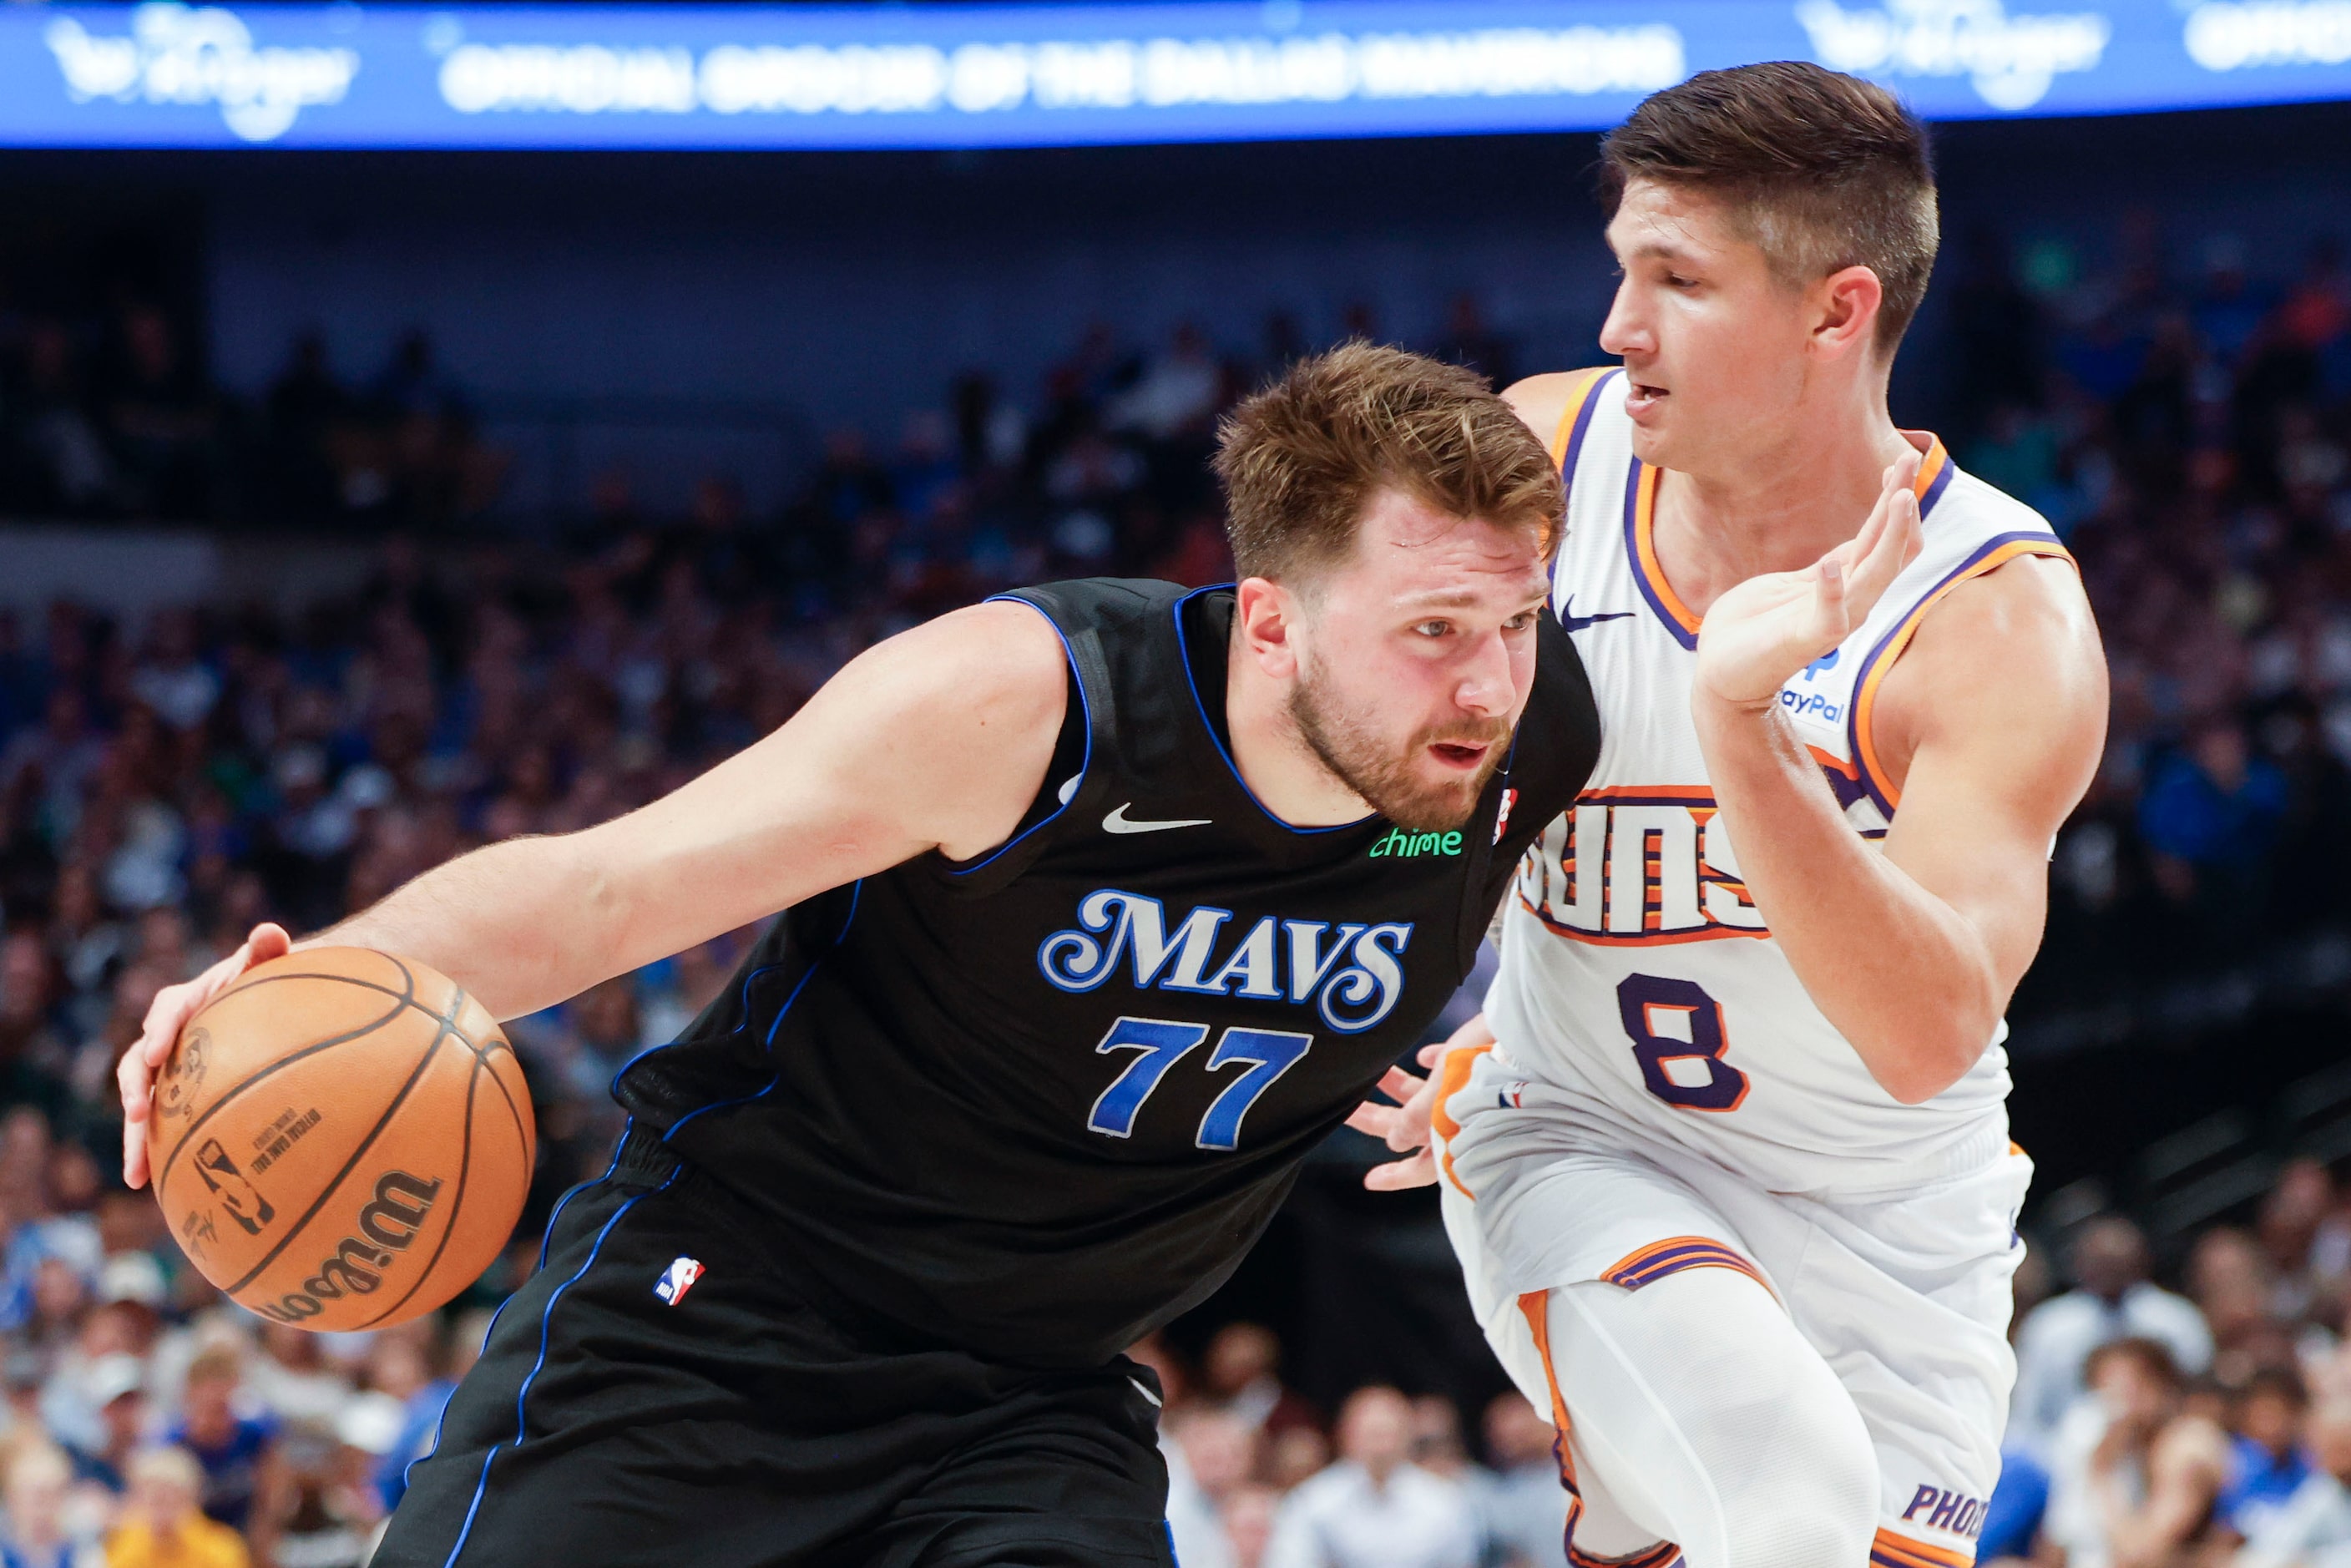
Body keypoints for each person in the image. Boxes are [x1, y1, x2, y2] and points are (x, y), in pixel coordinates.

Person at [119, 344, 1603, 1568]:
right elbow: (603, 893)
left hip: (1034, 1388)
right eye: (1431, 627)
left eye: (1517, 619)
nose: (1486, 677)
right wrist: (302, 979)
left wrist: (1520, 1040)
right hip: (724, 1318)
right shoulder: (1028, 708)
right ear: (1272, 620)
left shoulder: (1538, 740)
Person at [1352, 62, 2107, 1568]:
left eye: (1676, 281)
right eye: (1622, 269)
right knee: (1785, 1509)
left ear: (1836, 312)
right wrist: (1398, 943)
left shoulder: (1988, 623)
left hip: (1894, 1232)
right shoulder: (1536, 465)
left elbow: (1925, 1031)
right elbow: (1393, 792)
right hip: (1577, 1139)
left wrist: (1739, 722)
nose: (1616, 327)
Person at [2013, 1216, 2215, 1444]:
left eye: (2118, 1262)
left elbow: (2200, 1394)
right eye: (2100, 1262)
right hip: (2065, 1453)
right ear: (2079, 1264)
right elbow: (2027, 1411)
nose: (2110, 1270)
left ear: (2142, 1260)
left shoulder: (2176, 1318)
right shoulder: (2049, 1326)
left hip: (2163, 1444)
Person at [1264, 1387, 1479, 1568]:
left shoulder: (1445, 1501)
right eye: (1371, 1434)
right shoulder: (1312, 1501)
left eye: (1388, 1434)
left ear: (1409, 1437)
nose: (1381, 1448)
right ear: (1346, 1436)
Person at [101, 1447, 250, 1568]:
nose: (161, 1510)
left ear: (192, 1499)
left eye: (171, 1499)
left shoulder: (222, 1547)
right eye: (153, 1500)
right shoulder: (125, 1544)